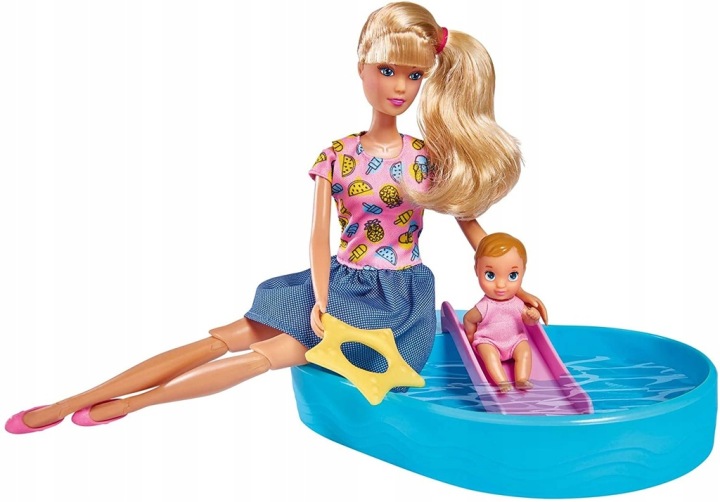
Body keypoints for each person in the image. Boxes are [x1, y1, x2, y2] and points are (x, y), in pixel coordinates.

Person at [5, 1, 545, 434]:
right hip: (337, 282)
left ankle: (133, 404)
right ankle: (71, 401)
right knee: (227, 335)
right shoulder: (337, 155)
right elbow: (317, 238)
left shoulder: (424, 158)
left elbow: (476, 231)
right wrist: (322, 299)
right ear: (361, 68)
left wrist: (510, 286)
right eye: (387, 71)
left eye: (413, 76)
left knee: (267, 355)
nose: (399, 88)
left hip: (396, 301)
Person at [463, 232, 541, 392]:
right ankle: (502, 382)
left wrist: (533, 317)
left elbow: (528, 321)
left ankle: (522, 379)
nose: (501, 285)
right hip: (489, 341)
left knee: (525, 351)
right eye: (490, 275)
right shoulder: (485, 306)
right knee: (490, 356)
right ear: (477, 270)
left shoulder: (518, 304)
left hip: (515, 341)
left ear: (523, 272)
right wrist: (471, 337)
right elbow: (469, 318)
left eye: (512, 275)